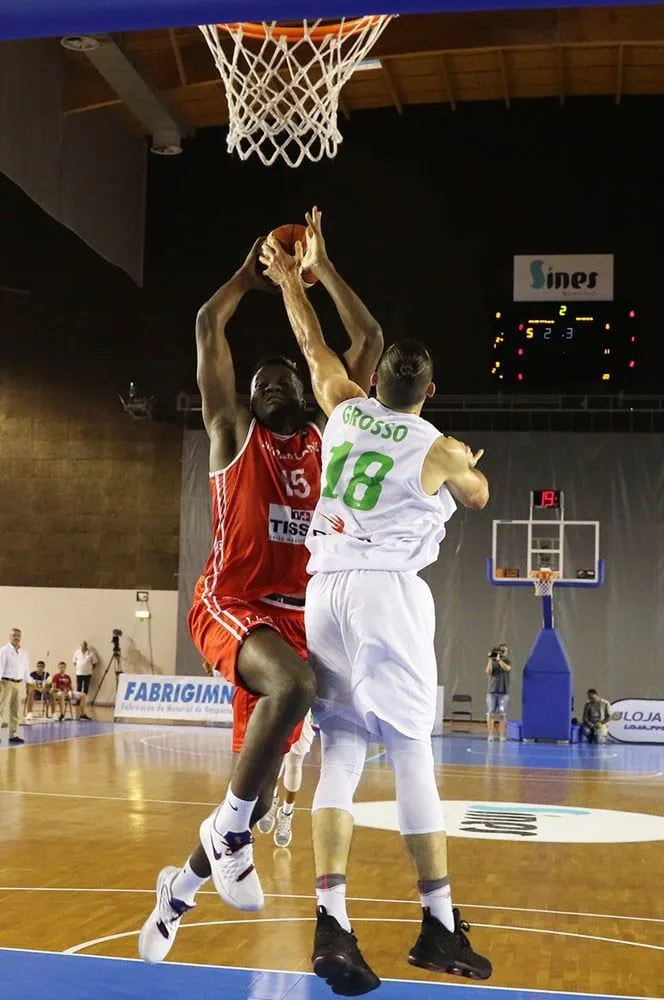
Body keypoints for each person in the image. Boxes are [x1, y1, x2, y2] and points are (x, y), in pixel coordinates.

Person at [138, 219, 383, 965]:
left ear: (305, 393)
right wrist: (251, 277)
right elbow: (208, 324)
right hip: (231, 604)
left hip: (295, 620)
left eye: (284, 379)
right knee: (297, 686)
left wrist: (325, 267)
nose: (272, 384)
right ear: (243, 398)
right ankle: (233, 839)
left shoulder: (329, 436)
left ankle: (178, 888)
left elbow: (367, 340)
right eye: (259, 381)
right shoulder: (229, 432)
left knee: (265, 786)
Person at [261, 233, 492, 993]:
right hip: (385, 593)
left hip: (322, 592)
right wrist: (463, 464)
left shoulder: (345, 408)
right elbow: (478, 498)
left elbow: (311, 340)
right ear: (428, 390)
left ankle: (332, 923)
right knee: (412, 753)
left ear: (377, 378)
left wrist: (295, 277)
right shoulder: (438, 446)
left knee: (346, 754)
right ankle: (440, 923)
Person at [257, 710, 316, 847]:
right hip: (279, 703)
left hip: (303, 708)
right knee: (273, 758)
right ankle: (272, 797)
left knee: (295, 764)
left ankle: (287, 812)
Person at [0, 627, 29, 745]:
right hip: (5, 682)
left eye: (18, 635)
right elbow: (0, 666)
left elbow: (26, 668)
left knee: (15, 709)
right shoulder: (4, 650)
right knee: (0, 709)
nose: (16, 637)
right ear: (10, 636)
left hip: (18, 683)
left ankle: (13, 734)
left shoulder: (23, 652)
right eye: (14, 635)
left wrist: (28, 682)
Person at [485, 643, 511, 742]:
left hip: (503, 692)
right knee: (490, 713)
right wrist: (490, 659)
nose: (504, 652)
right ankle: (490, 735)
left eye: (505, 651)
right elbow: (488, 672)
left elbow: (507, 668)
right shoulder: (493, 661)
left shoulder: (507, 661)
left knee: (502, 714)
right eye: (502, 650)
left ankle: (501, 735)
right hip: (492, 691)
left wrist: (500, 660)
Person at [72, 640, 99, 720]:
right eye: (82, 644)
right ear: (81, 645)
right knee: (79, 687)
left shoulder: (91, 653)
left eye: (85, 645)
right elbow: (74, 662)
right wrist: (79, 667)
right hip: (79, 673)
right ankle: (78, 700)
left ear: (86, 645)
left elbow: (95, 663)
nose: (84, 646)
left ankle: (84, 701)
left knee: (86, 688)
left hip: (88, 673)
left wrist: (90, 669)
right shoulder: (77, 652)